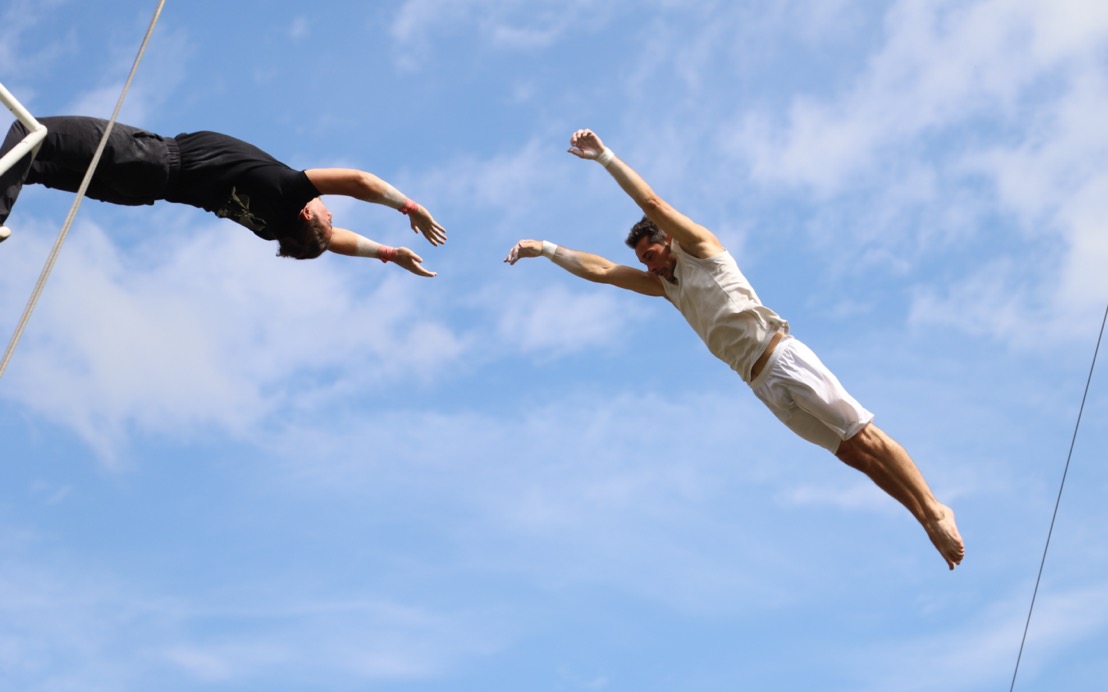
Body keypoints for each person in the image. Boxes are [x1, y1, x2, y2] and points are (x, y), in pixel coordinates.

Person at [504, 129, 965, 569]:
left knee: (863, 434)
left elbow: (652, 202)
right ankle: (923, 518)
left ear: (669, 241)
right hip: (759, 384)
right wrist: (544, 248)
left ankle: (934, 505)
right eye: (643, 260)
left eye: (653, 253)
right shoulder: (668, 287)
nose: (649, 264)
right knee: (850, 454)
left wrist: (604, 158)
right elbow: (602, 270)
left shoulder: (701, 249)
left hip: (781, 355)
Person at [0, 116, 446, 275]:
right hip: (138, 190)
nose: (332, 212)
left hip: (149, 158)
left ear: (311, 213)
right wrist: (386, 252)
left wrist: (409, 206)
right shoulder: (272, 226)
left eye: (329, 214)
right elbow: (333, 242)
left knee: (29, 133)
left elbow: (359, 182)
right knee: (31, 167)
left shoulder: (289, 190)